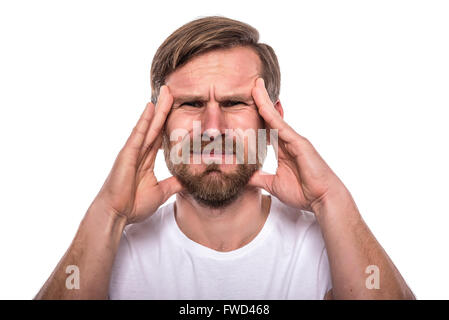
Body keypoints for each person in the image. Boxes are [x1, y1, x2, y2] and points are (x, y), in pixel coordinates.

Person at [35, 16, 415, 300]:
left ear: (272, 118)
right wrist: (108, 212)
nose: (212, 127)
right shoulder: (109, 253)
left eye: (233, 103)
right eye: (192, 104)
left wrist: (330, 198)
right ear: (158, 122)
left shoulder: (330, 247)